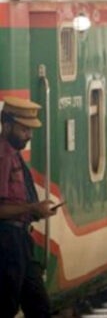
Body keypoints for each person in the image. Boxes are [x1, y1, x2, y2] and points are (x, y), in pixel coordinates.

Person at [0, 96, 57, 318]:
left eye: (30, 130)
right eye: (24, 129)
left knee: (39, 307)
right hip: (7, 243)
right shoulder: (3, 157)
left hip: (20, 241)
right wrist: (32, 209)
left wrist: (35, 211)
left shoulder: (13, 154)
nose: (29, 135)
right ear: (7, 126)